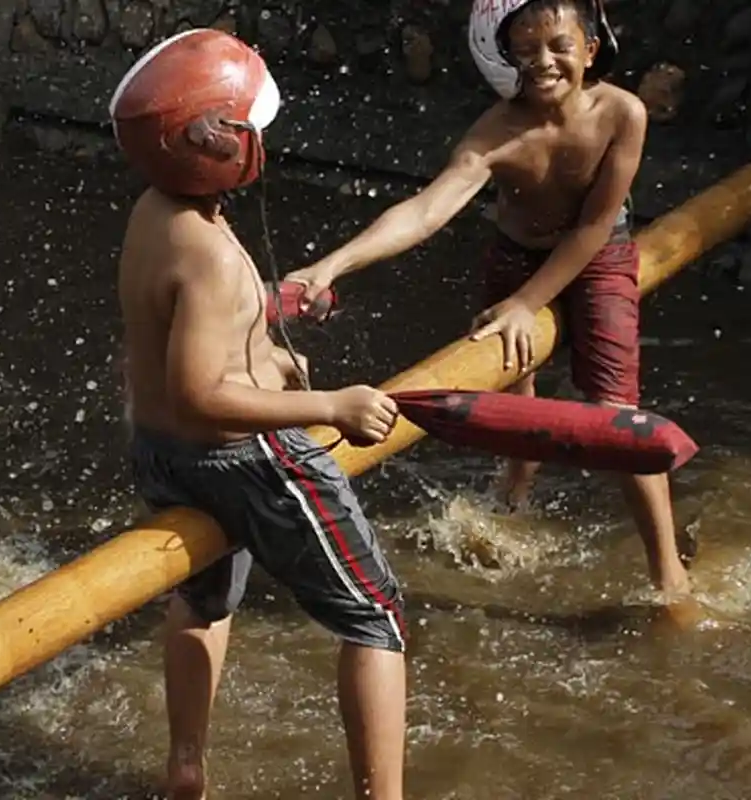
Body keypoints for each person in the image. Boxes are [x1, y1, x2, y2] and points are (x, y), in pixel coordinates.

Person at [285, 0, 691, 600]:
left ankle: (669, 572)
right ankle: (512, 502)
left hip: (600, 256)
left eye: (557, 45)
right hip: (515, 254)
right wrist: (330, 265)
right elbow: (425, 210)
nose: (543, 62)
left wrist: (528, 302)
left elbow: (591, 228)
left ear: (590, 50)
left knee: (615, 412)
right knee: (512, 386)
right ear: (505, 59)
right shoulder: (495, 132)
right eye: (525, 51)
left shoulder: (622, 113)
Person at [111, 29, 407, 800]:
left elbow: (177, 342)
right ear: (220, 142)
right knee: (376, 617)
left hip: (160, 452)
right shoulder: (208, 253)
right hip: (244, 462)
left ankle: (185, 764)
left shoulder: (156, 211)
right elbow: (204, 392)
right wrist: (329, 404)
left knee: (204, 599)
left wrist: (268, 339)